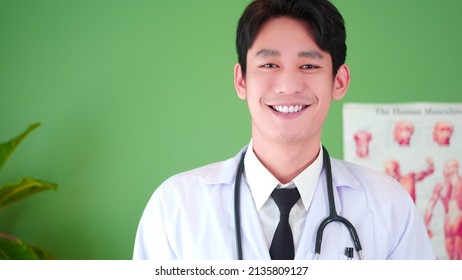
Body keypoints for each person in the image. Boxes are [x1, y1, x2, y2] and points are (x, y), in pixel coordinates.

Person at [133, 0, 434, 260]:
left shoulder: (389, 206)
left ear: (339, 81)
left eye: (308, 66)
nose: (289, 86)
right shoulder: (175, 207)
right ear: (241, 80)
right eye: (269, 65)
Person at [425, 158, 462, 259]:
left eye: (446, 167)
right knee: (454, 255)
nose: (444, 170)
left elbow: (430, 207)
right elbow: (430, 207)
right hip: (452, 219)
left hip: (453, 218)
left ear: (453, 168)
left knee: (455, 255)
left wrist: (427, 226)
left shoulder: (441, 186)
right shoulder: (441, 186)